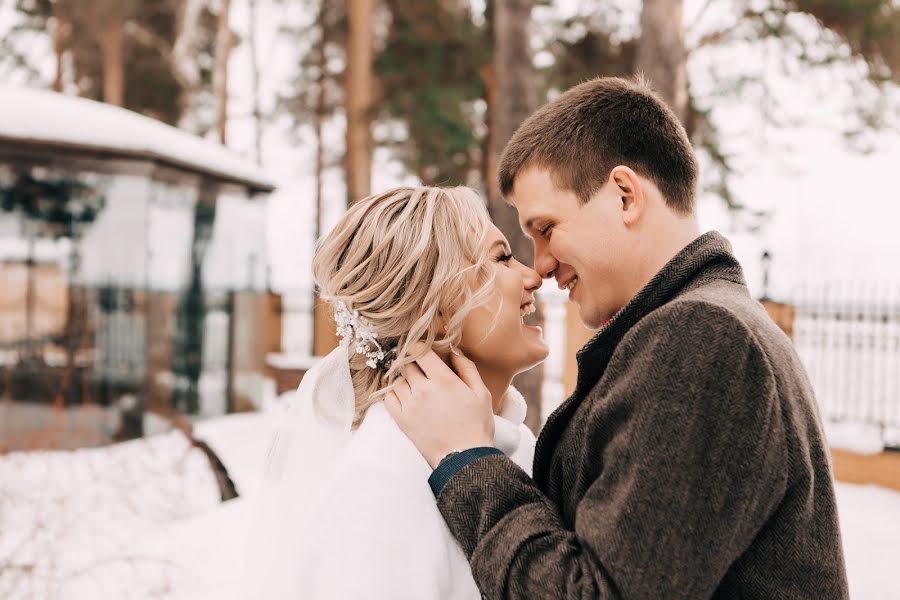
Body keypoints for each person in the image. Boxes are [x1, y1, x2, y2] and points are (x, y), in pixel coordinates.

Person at [385, 77, 850, 599]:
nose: (540, 266)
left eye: (546, 229)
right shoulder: (706, 326)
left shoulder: (702, 338)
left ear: (625, 196)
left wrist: (465, 458)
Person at [241, 186, 549, 599]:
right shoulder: (379, 492)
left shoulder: (519, 447)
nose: (533, 276)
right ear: (436, 310)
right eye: (501, 258)